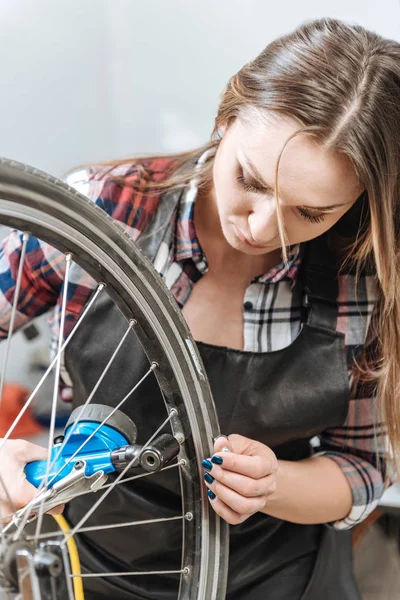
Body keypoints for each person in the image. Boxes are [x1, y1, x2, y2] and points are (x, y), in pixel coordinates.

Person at [0, 15, 398, 599]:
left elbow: (364, 466)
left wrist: (273, 484)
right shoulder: (104, 212)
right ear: (225, 119)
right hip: (98, 562)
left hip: (280, 576)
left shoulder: (360, 279)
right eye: (251, 180)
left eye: (311, 214)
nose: (264, 228)